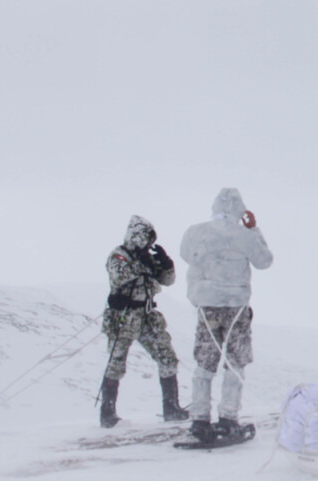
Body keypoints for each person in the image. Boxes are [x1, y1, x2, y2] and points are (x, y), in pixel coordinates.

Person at [180, 188, 273, 443]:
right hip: (236, 306)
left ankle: (199, 421)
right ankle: (228, 420)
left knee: (204, 363)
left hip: (207, 304)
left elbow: (186, 255)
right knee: (235, 363)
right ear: (239, 210)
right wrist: (253, 229)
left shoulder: (195, 232)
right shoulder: (244, 235)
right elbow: (264, 261)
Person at [99, 215, 188, 428]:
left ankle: (171, 408)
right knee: (116, 361)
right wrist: (141, 264)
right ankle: (107, 413)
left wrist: (166, 264)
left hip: (147, 315)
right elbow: (120, 276)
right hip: (124, 316)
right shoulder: (119, 256)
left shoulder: (147, 257)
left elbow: (167, 280)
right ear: (136, 236)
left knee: (167, 356)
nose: (149, 243)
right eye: (146, 238)